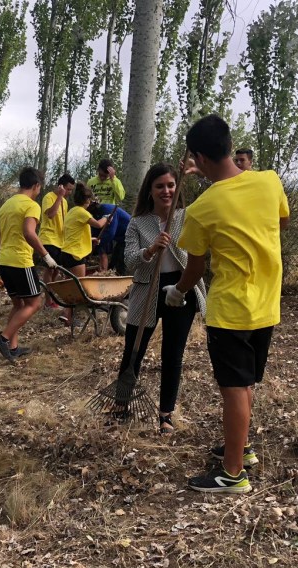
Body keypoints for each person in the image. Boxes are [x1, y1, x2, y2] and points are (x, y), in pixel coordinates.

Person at [164, 114, 289, 494]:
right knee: (245, 381)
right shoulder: (269, 182)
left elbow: (195, 267)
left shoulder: (202, 209)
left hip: (231, 310)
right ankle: (241, 447)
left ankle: (232, 474)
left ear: (199, 158)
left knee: (234, 388)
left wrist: (178, 292)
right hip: (266, 304)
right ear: (230, 146)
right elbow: (279, 223)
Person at [116, 164, 206, 433]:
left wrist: (198, 172)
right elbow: (129, 261)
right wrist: (150, 249)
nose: (166, 191)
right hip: (147, 289)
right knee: (134, 350)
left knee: (173, 353)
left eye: (171, 185)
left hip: (181, 288)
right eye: (160, 186)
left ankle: (166, 414)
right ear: (150, 190)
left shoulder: (187, 216)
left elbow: (218, 195)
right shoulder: (137, 223)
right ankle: (121, 404)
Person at [0, 166, 57, 361]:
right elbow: (29, 232)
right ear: (36, 185)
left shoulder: (5, 206)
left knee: (18, 304)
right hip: (20, 261)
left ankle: (13, 348)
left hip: (4, 260)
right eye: (40, 187)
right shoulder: (31, 205)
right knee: (34, 303)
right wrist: (46, 256)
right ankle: (3, 339)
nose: (39, 191)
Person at [58, 183, 108, 325]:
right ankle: (69, 315)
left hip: (66, 253)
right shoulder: (82, 212)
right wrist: (106, 217)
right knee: (78, 288)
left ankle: (67, 316)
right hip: (76, 255)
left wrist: (91, 239)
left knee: (70, 286)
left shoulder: (72, 212)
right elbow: (98, 224)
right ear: (87, 200)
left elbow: (75, 233)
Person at [39, 174, 76, 302]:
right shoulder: (49, 197)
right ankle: (48, 301)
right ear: (61, 187)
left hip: (60, 240)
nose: (69, 192)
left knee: (56, 270)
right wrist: (59, 196)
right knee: (50, 269)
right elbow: (51, 214)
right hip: (49, 238)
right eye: (68, 189)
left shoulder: (64, 202)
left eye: (71, 190)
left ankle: (52, 296)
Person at [86, 158, 126, 270]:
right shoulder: (91, 182)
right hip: (94, 215)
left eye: (105, 176)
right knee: (95, 244)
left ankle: (105, 271)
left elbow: (121, 197)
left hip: (109, 216)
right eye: (101, 175)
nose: (103, 178)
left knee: (103, 246)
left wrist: (113, 179)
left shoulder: (114, 181)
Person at [88, 201, 131, 275]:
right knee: (113, 264)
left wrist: (96, 246)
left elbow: (110, 233)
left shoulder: (107, 210)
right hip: (121, 239)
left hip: (130, 237)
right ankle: (109, 275)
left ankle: (120, 279)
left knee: (120, 262)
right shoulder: (95, 214)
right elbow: (95, 231)